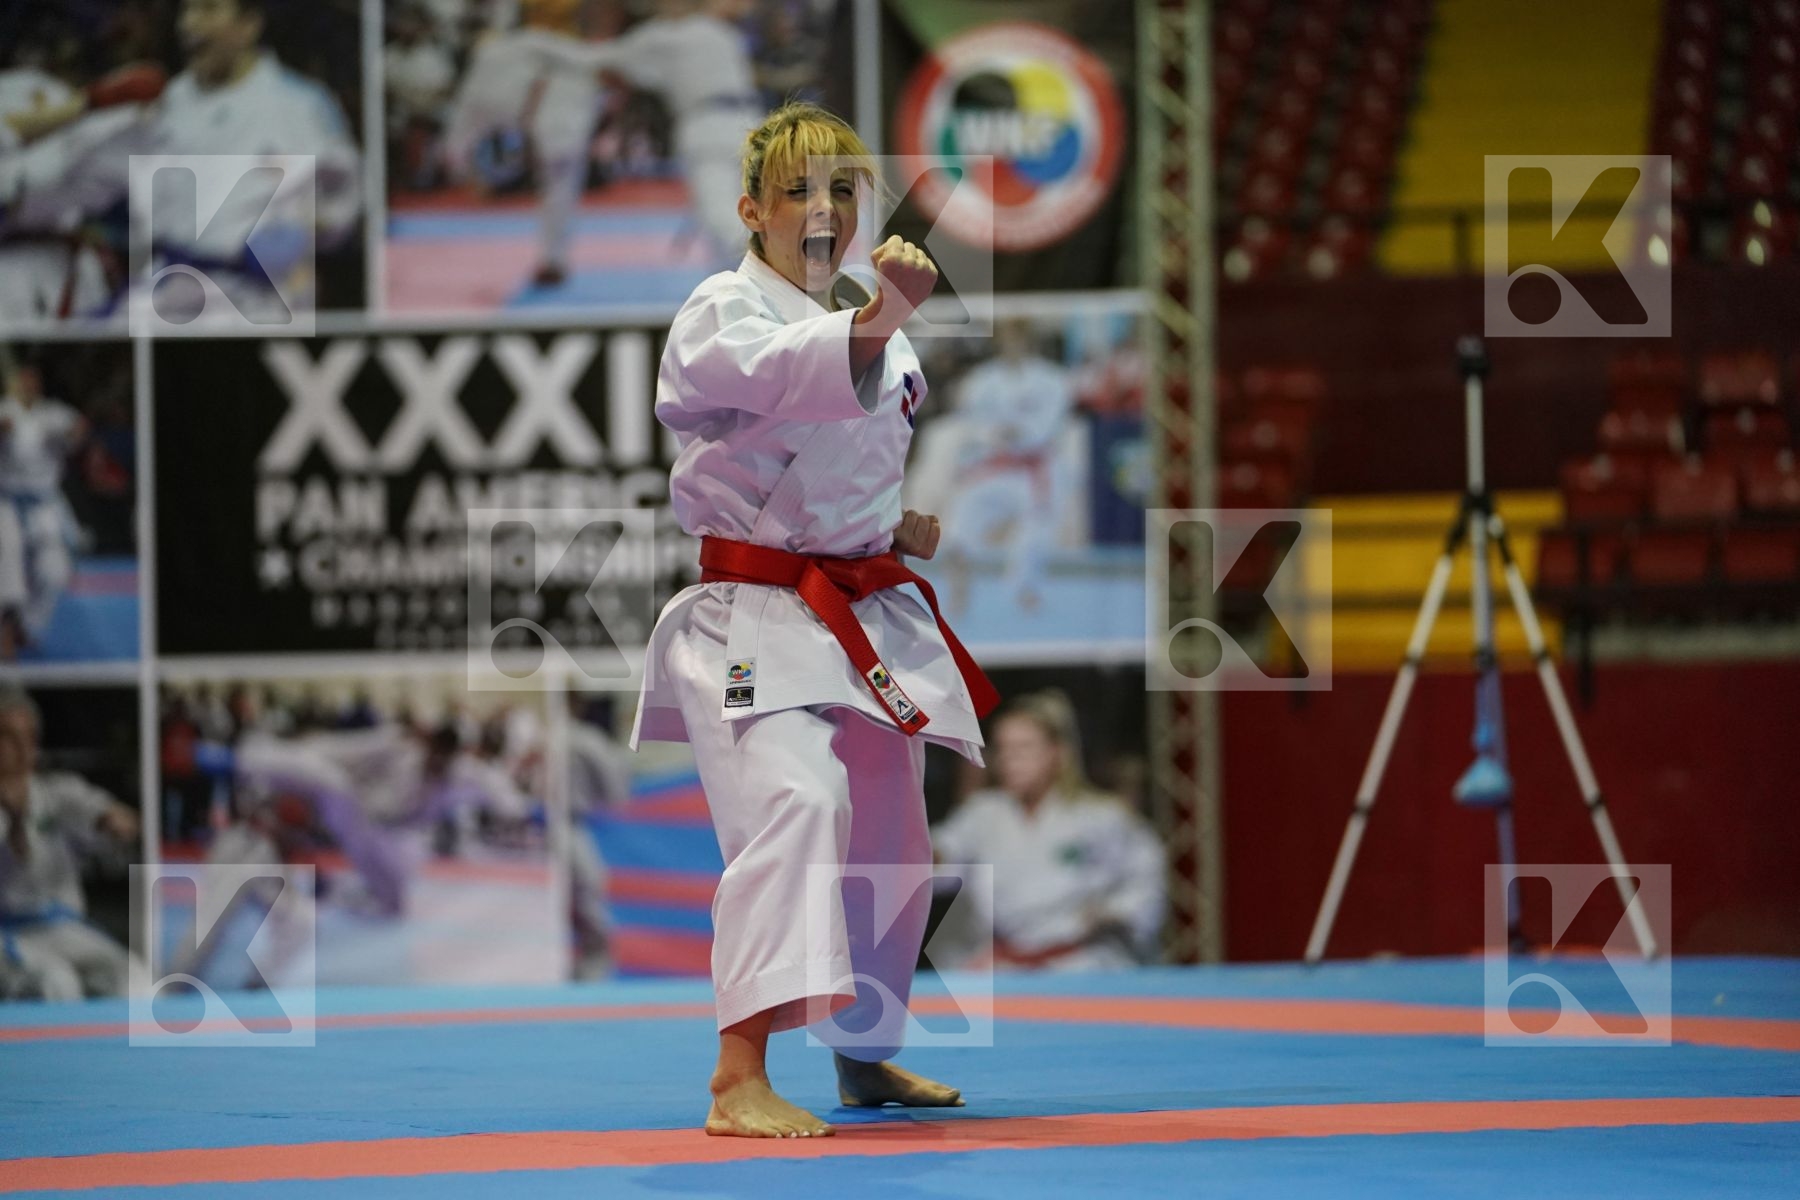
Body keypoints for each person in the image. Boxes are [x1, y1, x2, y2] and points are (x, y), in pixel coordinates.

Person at [630, 101, 999, 1138]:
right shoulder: (720, 312)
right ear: (752, 209)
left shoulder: (860, 316)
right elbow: (786, 388)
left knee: (892, 830)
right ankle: (736, 1072)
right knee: (795, 801)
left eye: (843, 187)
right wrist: (883, 315)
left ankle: (866, 1055)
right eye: (798, 189)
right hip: (751, 617)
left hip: (856, 609)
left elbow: (845, 465)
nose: (824, 206)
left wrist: (899, 525)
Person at [932, 690, 1166, 971]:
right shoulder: (983, 813)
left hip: (1083, 963)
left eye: (1023, 749)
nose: (1010, 760)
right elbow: (942, 853)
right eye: (1003, 749)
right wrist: (928, 853)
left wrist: (1116, 911)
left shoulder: (1100, 816)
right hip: (1007, 963)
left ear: (1057, 753)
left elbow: (1145, 875)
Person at [0, 686, 141, 1001]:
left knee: (132, 978)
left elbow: (102, 811)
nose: (22, 748)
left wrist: (113, 820)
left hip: (59, 927)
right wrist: (13, 819)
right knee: (55, 984)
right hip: (6, 932)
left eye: (29, 737)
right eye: (8, 737)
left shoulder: (58, 791)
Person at [0, 362, 88, 655]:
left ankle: (28, 625)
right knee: (7, 567)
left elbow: (77, 432)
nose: (28, 384)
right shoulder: (5, 410)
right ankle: (5, 628)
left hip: (44, 504)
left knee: (54, 571)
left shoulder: (54, 413)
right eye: (22, 379)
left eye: (32, 379)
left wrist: (74, 434)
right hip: (6, 502)